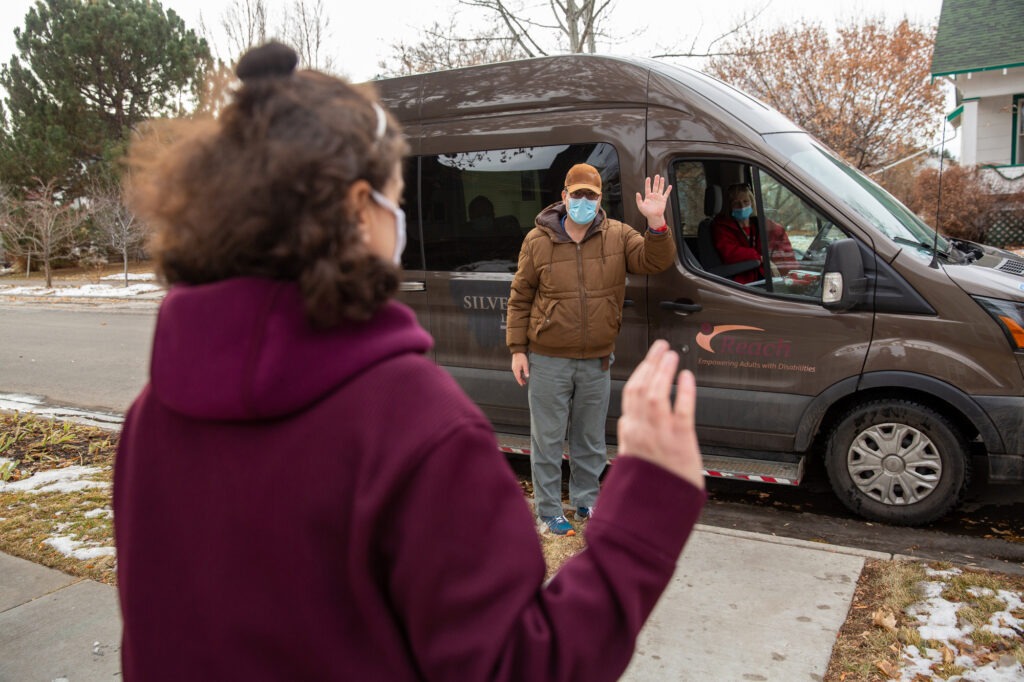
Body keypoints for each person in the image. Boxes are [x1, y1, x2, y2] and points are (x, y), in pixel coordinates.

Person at [113, 42, 706, 680]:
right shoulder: (415, 426)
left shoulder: (150, 420)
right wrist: (648, 504)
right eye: (395, 197)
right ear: (358, 209)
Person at [507, 163, 678, 536]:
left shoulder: (617, 235)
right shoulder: (537, 240)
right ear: (564, 197)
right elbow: (520, 297)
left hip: (596, 359)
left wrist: (657, 223)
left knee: (589, 439)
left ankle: (587, 501)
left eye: (592, 195)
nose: (584, 201)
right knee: (548, 440)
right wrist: (518, 349)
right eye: (578, 194)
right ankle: (549, 510)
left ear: (601, 200)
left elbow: (654, 260)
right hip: (548, 358)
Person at [711, 182, 798, 284]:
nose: (742, 206)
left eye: (746, 202)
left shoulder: (759, 224)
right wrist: (761, 258)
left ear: (752, 203)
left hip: (766, 277)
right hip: (743, 280)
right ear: (730, 207)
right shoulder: (721, 227)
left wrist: (792, 274)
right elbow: (730, 253)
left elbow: (781, 246)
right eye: (736, 203)